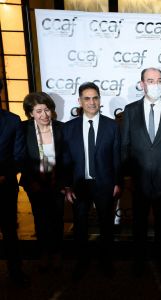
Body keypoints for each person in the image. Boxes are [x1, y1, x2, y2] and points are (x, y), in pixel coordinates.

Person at [121, 67, 161, 276]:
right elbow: (125, 146)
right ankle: (138, 261)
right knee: (138, 224)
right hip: (138, 180)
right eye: (150, 80)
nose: (155, 84)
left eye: (159, 80)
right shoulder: (130, 110)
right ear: (141, 84)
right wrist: (127, 175)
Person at [63, 82, 121, 280]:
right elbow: (65, 159)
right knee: (80, 225)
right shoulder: (69, 128)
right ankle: (82, 261)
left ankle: (106, 261)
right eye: (87, 98)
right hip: (79, 185)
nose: (91, 102)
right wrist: (67, 186)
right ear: (79, 101)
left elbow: (117, 157)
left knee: (106, 225)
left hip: (104, 184)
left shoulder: (112, 126)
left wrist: (117, 182)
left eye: (95, 98)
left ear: (99, 100)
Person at [20, 92, 64, 272]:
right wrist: (31, 181)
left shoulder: (62, 128)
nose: (44, 115)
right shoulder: (23, 129)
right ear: (31, 113)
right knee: (41, 219)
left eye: (47, 110)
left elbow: (68, 158)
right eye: (39, 111)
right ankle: (44, 254)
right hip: (34, 184)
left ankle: (57, 254)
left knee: (57, 219)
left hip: (57, 183)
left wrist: (64, 183)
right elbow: (20, 157)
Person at [0, 79, 28, 286]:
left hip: (4, 186)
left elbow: (19, 155)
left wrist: (3, 175)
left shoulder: (12, 120)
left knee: (10, 230)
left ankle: (15, 272)